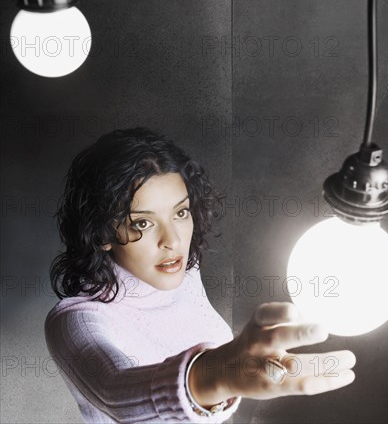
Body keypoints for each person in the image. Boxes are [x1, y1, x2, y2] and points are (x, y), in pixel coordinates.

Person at [44, 127, 356, 423]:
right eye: (142, 222)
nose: (173, 240)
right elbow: (115, 392)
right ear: (102, 233)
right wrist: (217, 374)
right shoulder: (76, 320)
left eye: (181, 213)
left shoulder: (185, 273)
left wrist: (260, 357)